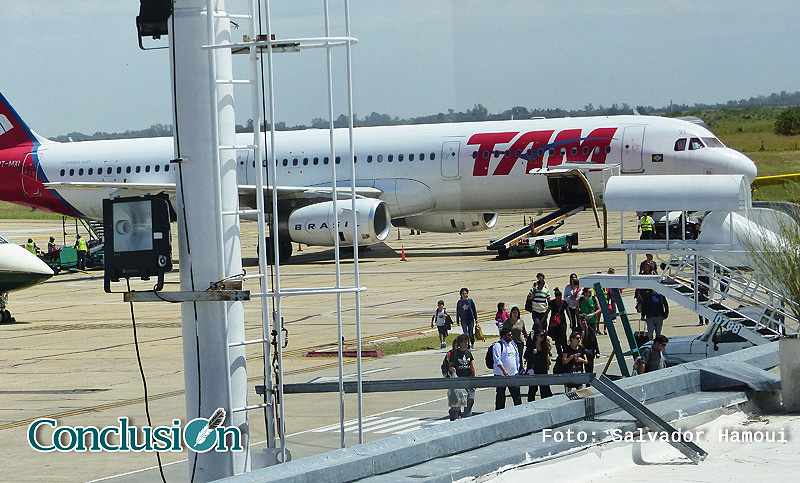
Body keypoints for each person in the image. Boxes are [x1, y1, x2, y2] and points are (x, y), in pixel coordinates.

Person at [447, 334, 476, 420]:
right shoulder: (454, 353)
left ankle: (467, 416)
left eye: (467, 341)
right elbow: (450, 365)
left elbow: (472, 367)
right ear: (459, 343)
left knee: (470, 398)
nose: (466, 343)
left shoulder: (468, 353)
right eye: (464, 342)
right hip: (458, 381)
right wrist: (451, 369)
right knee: (457, 403)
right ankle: (454, 415)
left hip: (468, 379)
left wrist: (474, 380)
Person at [493, 327, 522, 409]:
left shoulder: (513, 345)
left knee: (517, 396)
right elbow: (497, 360)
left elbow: (517, 358)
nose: (511, 336)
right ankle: (499, 413)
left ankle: (519, 412)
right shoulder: (498, 346)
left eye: (511, 335)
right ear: (503, 336)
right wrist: (504, 371)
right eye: (509, 335)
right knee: (500, 396)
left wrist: (517, 369)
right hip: (501, 375)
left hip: (514, 375)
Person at [523, 328, 553, 400]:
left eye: (544, 335)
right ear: (536, 336)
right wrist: (532, 353)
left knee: (544, 388)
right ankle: (531, 403)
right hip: (533, 368)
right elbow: (525, 356)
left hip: (542, 368)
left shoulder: (544, 345)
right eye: (541, 335)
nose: (543, 337)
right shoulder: (531, 345)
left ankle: (545, 402)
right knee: (533, 388)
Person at [543, 287, 569, 354]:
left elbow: (568, 312)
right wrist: (543, 319)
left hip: (562, 322)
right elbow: (547, 311)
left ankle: (565, 351)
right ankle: (559, 353)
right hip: (554, 323)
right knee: (557, 339)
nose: (559, 299)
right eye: (557, 298)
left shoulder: (564, 303)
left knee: (563, 337)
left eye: (560, 298)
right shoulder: (552, 303)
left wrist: (571, 321)